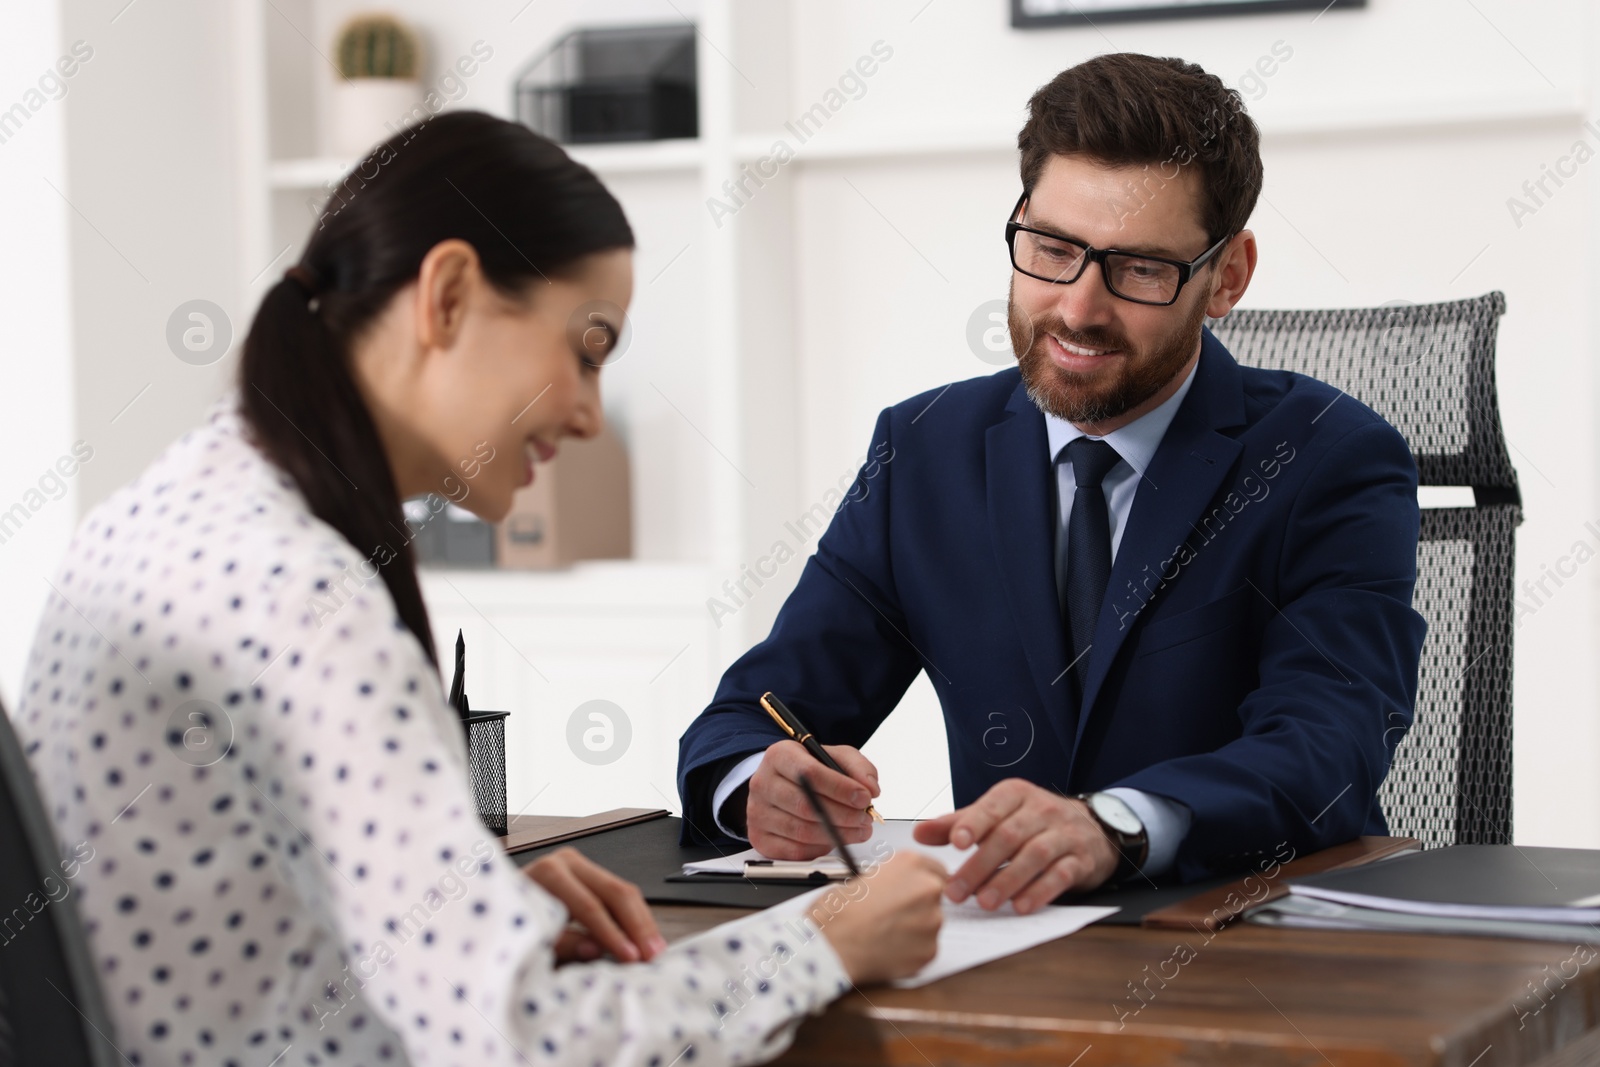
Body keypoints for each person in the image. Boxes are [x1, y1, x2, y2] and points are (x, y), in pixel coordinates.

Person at [11, 110, 946, 1067]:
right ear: (450, 293)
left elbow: (226, 915)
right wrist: (821, 942)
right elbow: (515, 1041)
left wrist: (474, 912)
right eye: (585, 349)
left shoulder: (166, 514)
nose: (588, 414)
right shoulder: (302, 595)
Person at [676, 53, 1427, 910]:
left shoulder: (1333, 459)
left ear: (1228, 276)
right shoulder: (924, 450)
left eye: (1141, 268)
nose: (1077, 307)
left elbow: (1326, 750)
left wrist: (1114, 824)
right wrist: (757, 785)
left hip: (1242, 953)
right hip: (996, 956)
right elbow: (752, 714)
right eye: (1051, 249)